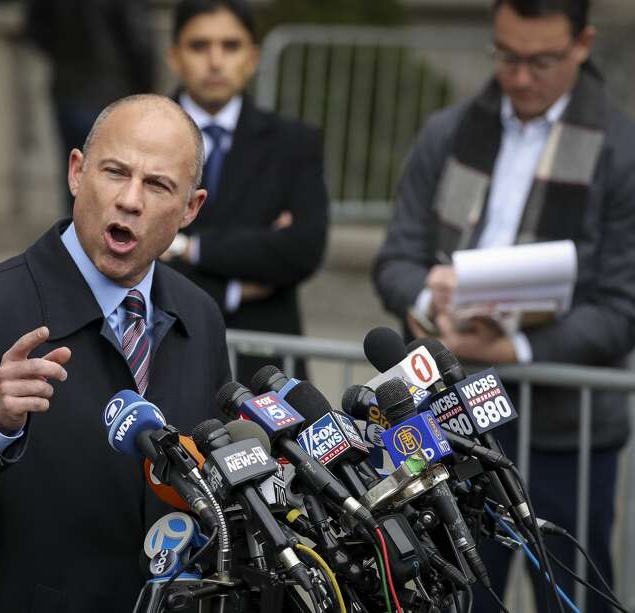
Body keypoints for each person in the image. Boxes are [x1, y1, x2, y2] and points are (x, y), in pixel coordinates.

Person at [0, 94, 231, 612]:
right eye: (115, 172)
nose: (130, 200)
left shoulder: (199, 315)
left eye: (157, 185)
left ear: (191, 208)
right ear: (77, 173)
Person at [372, 1, 635, 611]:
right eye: (507, 56)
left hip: (565, 428)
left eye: (541, 61)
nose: (518, 78)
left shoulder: (619, 152)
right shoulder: (451, 130)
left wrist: (511, 348)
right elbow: (397, 258)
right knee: (456, 591)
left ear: (583, 44)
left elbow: (621, 308)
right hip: (449, 418)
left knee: (569, 594)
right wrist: (427, 302)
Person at [162, 0, 329, 386]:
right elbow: (127, 249)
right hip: (164, 349)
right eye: (200, 46)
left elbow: (302, 249)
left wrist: (184, 247)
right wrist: (236, 286)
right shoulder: (139, 136)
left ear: (252, 58)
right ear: (175, 56)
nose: (216, 61)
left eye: (231, 46)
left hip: (265, 368)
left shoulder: (294, 143)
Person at [25, 0, 156, 211]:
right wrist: (147, 90)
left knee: (77, 175)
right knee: (117, 177)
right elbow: (138, 41)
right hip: (112, 92)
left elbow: (35, 29)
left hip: (69, 88)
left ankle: (76, 235)